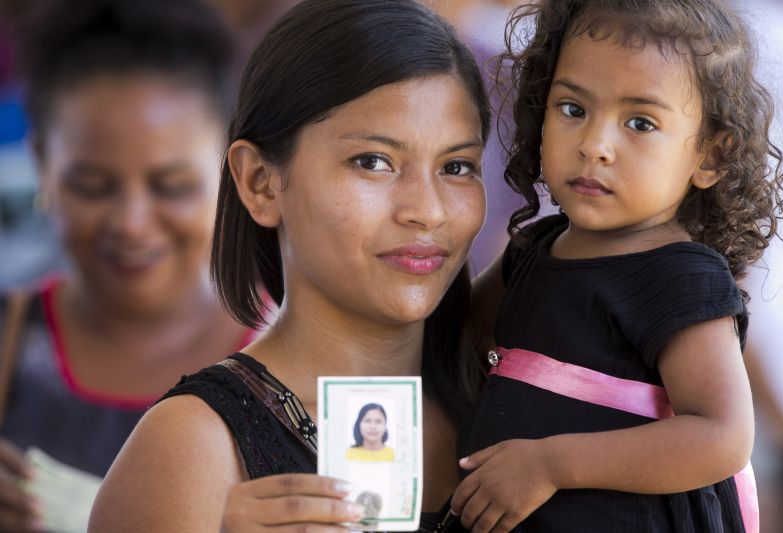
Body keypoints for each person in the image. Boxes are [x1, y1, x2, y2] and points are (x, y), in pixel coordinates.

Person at [88, 0, 489, 531]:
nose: (428, 210)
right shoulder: (193, 448)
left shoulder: (518, 403)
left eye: (457, 166)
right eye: (372, 162)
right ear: (260, 182)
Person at [452, 0, 783, 531]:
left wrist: (550, 465)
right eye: (572, 109)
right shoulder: (533, 251)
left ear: (710, 156)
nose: (595, 145)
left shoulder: (679, 278)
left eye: (640, 122)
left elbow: (721, 436)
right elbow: (453, 336)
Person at [0, 0, 254, 531]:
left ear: (233, 168)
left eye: (172, 186)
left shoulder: (305, 366)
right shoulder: (10, 339)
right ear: (44, 165)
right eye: (93, 187)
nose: (133, 223)